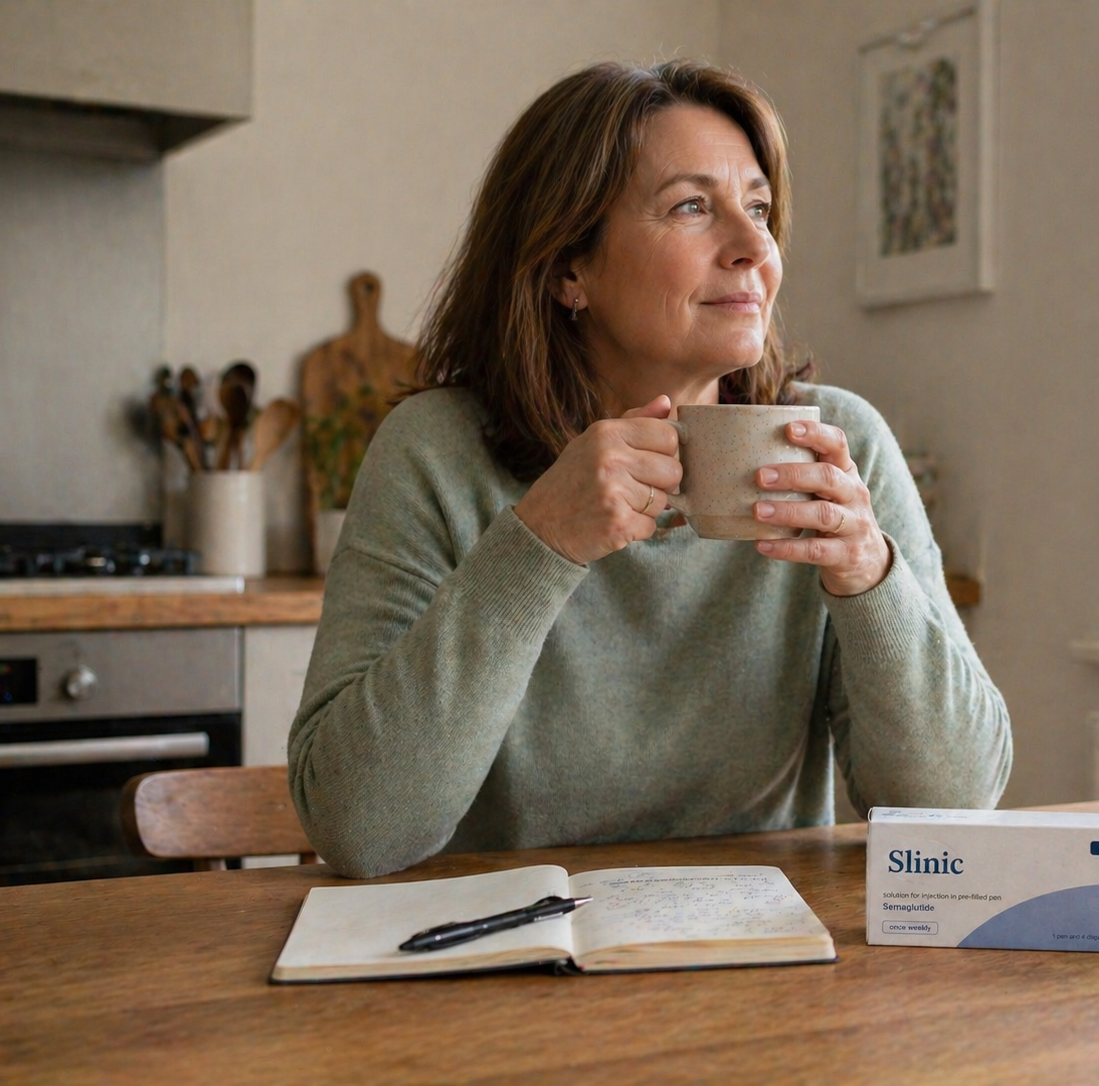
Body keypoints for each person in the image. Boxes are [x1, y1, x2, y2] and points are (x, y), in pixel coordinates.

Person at [288, 59, 1011, 879]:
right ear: (569, 268)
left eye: (761, 208)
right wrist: (538, 545)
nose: (753, 249)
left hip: (764, 969)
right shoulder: (434, 452)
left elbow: (950, 810)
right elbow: (359, 829)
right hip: (498, 974)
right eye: (693, 207)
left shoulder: (840, 445)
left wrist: (869, 576)